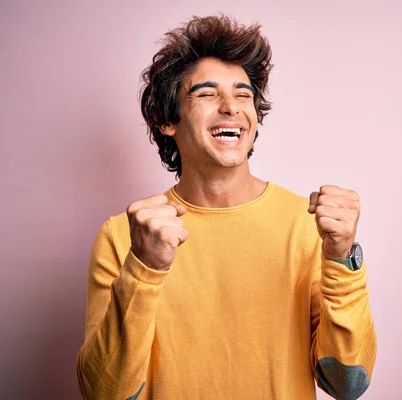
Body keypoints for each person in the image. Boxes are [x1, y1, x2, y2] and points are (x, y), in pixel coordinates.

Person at [75, 14, 377, 400]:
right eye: (206, 93)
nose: (231, 107)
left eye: (243, 94)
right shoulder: (123, 237)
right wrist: (144, 268)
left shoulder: (309, 227)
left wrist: (341, 258)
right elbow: (105, 393)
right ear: (168, 119)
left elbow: (348, 385)